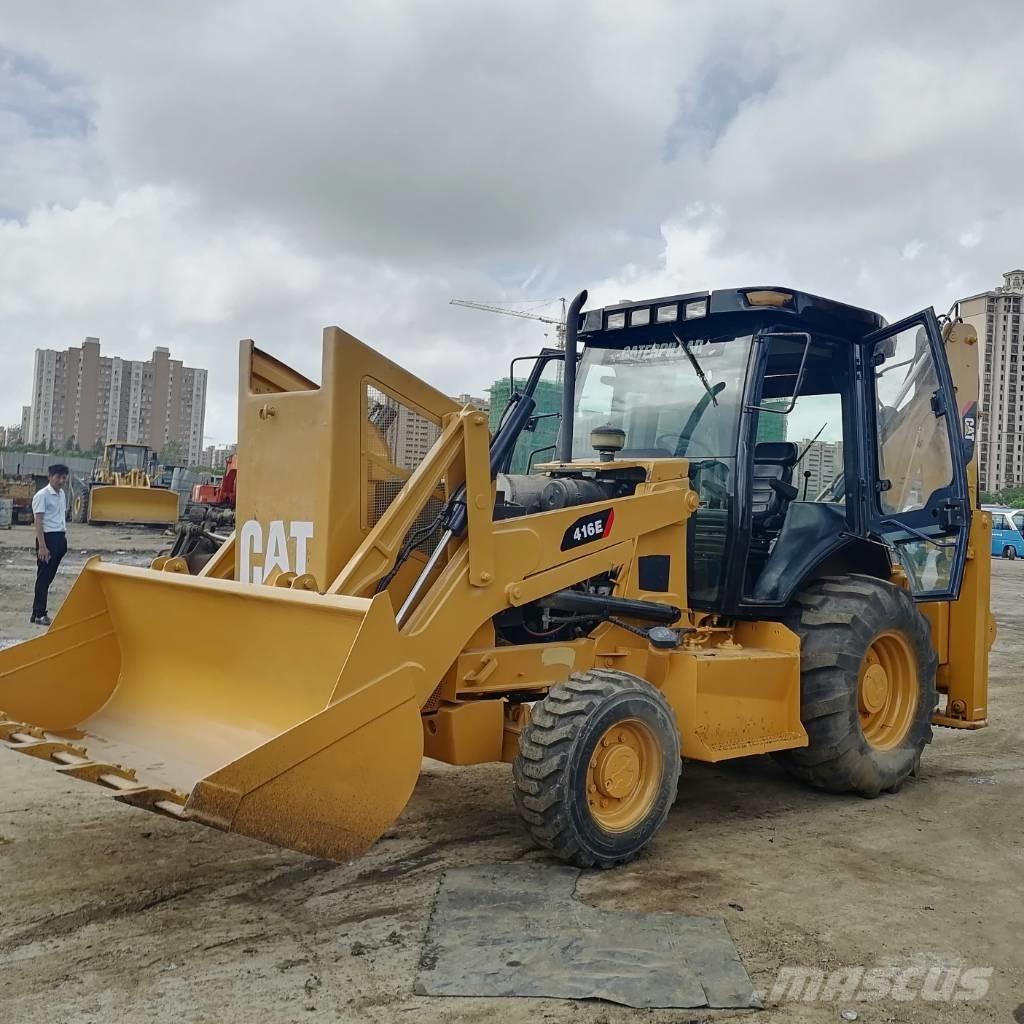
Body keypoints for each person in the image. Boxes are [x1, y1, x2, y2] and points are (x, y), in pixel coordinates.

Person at [31, 464, 70, 626]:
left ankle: (36, 613)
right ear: (50, 477)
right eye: (58, 477)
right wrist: (42, 546)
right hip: (47, 539)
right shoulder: (42, 495)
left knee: (48, 578)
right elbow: (38, 521)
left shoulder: (61, 494)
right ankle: (39, 613)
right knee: (44, 578)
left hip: (59, 538)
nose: (61, 481)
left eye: (63, 477)